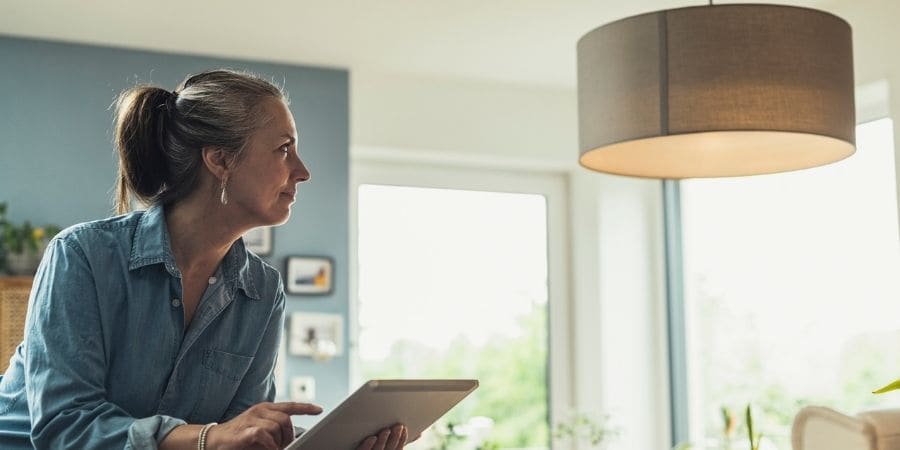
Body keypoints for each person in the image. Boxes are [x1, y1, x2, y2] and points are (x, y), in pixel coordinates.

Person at [0, 69, 409, 450]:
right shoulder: (82, 256)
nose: (302, 171)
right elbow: (65, 425)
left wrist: (339, 442)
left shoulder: (263, 292)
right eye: (284, 149)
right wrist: (208, 438)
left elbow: (241, 433)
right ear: (220, 160)